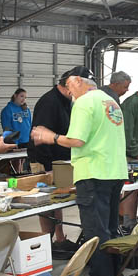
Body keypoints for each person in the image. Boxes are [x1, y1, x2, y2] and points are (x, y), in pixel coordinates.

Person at [31, 73, 127, 276]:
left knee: (95, 233)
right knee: (110, 229)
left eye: (69, 86)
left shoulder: (84, 102)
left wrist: (50, 137)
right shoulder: (109, 101)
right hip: (114, 172)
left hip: (93, 174)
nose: (68, 92)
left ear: (80, 82)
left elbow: (77, 140)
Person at [29, 66, 92, 250]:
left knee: (58, 201)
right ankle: (47, 243)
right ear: (69, 85)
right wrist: (48, 167)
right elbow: (39, 136)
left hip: (61, 161)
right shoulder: (49, 102)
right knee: (47, 203)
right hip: (45, 160)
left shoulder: (67, 101)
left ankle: (60, 239)